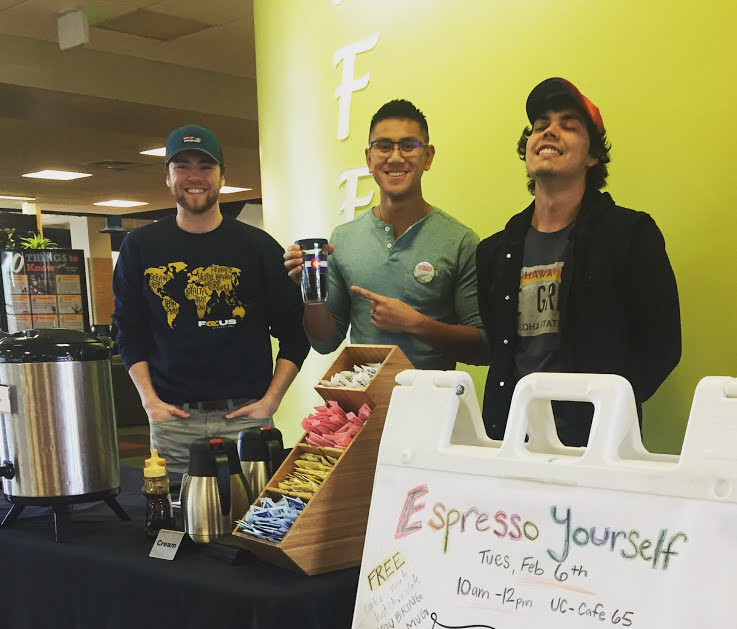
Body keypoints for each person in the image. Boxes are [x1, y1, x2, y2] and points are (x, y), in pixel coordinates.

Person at [477, 78, 681, 446]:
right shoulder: (495, 251)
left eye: (568, 125)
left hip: (596, 443)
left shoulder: (630, 235)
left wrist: (610, 410)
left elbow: (662, 346)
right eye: (540, 126)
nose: (550, 132)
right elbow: (500, 346)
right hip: (507, 437)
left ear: (592, 156)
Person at [113, 124, 310, 474]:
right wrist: (149, 403)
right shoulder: (140, 247)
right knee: (175, 521)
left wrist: (271, 401)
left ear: (222, 176)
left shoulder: (259, 247)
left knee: (253, 524)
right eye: (182, 166)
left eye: (205, 166)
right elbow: (129, 332)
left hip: (247, 420)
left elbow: (296, 333)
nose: (194, 176)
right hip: (172, 421)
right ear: (168, 177)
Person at [284, 99, 488, 370]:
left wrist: (415, 323)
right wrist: (310, 290)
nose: (395, 157)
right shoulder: (343, 238)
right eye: (383, 146)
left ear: (428, 157)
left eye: (408, 145)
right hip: (362, 408)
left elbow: (483, 348)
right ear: (369, 159)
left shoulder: (460, 241)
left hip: (435, 405)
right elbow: (324, 342)